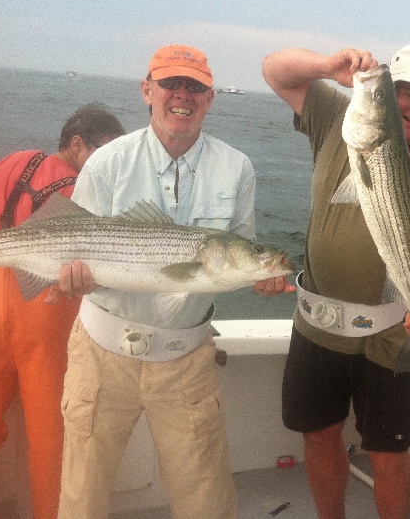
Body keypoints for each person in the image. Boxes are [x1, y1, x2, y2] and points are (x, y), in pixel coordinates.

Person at [52, 45, 292, 519]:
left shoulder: (237, 167)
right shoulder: (106, 162)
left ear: (211, 98)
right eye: (170, 84)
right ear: (148, 91)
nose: (182, 95)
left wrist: (258, 276)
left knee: (206, 501)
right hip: (99, 357)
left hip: (187, 361)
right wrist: (69, 279)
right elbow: (68, 242)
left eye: (195, 87)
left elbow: (238, 248)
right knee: (81, 496)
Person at [262, 44, 410, 519]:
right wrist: (327, 67)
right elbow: (275, 71)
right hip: (317, 325)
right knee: (320, 434)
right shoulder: (336, 117)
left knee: (389, 454)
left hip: (391, 334)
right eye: (406, 93)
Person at [0, 103, 125, 519]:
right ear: (76, 144)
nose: (108, 164)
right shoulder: (85, 190)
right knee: (51, 439)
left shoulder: (12, 162)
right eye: (104, 152)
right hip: (45, 309)